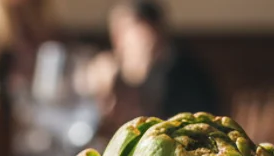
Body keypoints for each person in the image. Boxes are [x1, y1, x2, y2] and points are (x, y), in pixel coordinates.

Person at [90, 1, 221, 128]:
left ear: (154, 32)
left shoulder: (187, 74)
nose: (118, 42)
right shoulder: (111, 67)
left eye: (125, 32)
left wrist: (137, 74)